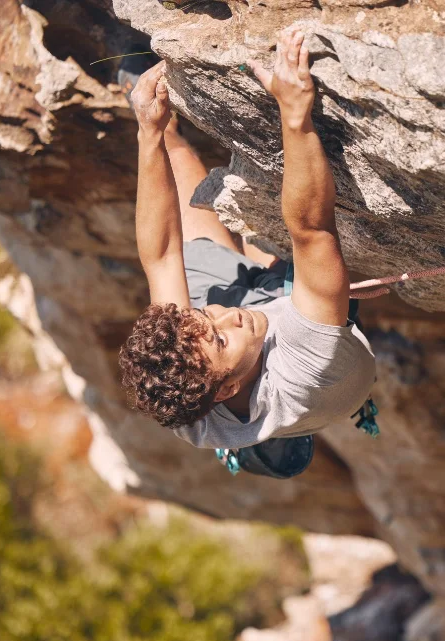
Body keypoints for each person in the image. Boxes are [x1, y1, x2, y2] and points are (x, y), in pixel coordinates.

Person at [118, 27, 376, 460]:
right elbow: (313, 229)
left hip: (258, 345)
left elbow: (162, 255)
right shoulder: (305, 364)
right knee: (273, 230)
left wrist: (149, 132)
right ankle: (273, 449)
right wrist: (294, 112)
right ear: (229, 388)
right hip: (308, 342)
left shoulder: (184, 375)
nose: (228, 318)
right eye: (220, 340)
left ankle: (162, 121)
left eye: (205, 318)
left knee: (183, 188)